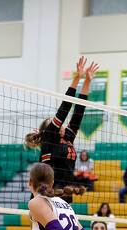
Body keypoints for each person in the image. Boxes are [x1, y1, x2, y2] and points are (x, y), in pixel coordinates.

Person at [24, 57, 97, 195]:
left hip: (64, 194)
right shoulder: (49, 138)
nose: (57, 124)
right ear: (46, 130)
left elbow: (79, 111)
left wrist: (87, 81)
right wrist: (76, 78)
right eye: (52, 123)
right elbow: (64, 108)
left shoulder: (67, 137)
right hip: (47, 195)